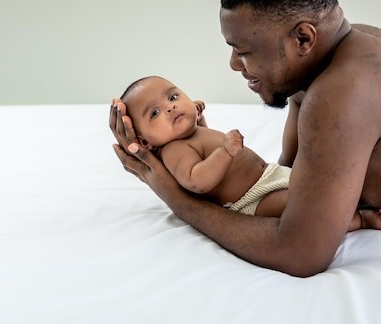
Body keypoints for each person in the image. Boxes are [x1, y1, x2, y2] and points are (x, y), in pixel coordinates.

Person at [109, 0, 381, 277]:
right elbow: (290, 171)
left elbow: (300, 253)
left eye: (242, 51)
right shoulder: (333, 52)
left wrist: (176, 198)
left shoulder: (340, 92)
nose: (233, 64)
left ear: (302, 38)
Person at [117, 75, 372, 231]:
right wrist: (226, 151)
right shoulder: (173, 151)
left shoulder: (189, 136)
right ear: (145, 142)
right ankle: (359, 220)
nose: (170, 108)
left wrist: (199, 121)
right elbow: (197, 180)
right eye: (155, 113)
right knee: (306, 211)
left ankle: (353, 200)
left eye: (173, 97)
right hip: (251, 200)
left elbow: (203, 150)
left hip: (270, 177)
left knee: (317, 190)